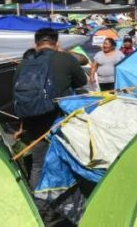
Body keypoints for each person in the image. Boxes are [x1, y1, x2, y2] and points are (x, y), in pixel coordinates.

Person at [13, 28, 88, 189]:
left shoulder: (24, 63)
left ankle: (37, 197)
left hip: (33, 120)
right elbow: (82, 81)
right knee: (68, 158)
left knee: (38, 163)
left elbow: (17, 93)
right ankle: (67, 194)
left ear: (35, 44)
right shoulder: (65, 58)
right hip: (60, 119)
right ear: (56, 43)